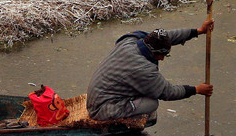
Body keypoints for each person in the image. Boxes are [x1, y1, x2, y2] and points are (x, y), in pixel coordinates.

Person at [87, 19, 215, 121]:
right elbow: (167, 92)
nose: (163, 59)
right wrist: (196, 90)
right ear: (153, 52)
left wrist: (198, 31)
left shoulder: (133, 40)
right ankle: (127, 118)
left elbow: (167, 36)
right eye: (162, 55)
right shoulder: (143, 69)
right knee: (151, 103)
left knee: (147, 91)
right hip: (101, 108)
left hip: (100, 94)